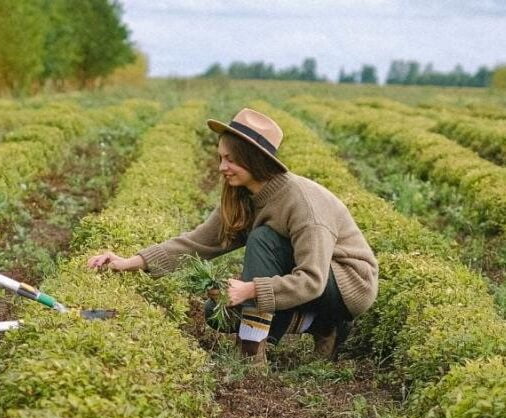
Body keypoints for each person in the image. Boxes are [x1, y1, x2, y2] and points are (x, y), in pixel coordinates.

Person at [87, 108, 378, 367]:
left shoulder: (302, 204)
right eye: (220, 158)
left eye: (230, 159)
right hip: (309, 282)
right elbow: (199, 241)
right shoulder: (245, 196)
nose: (221, 167)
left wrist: (250, 290)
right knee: (217, 312)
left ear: (254, 160)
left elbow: (312, 280)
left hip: (345, 284)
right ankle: (323, 325)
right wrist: (130, 262)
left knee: (263, 239)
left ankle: (252, 352)